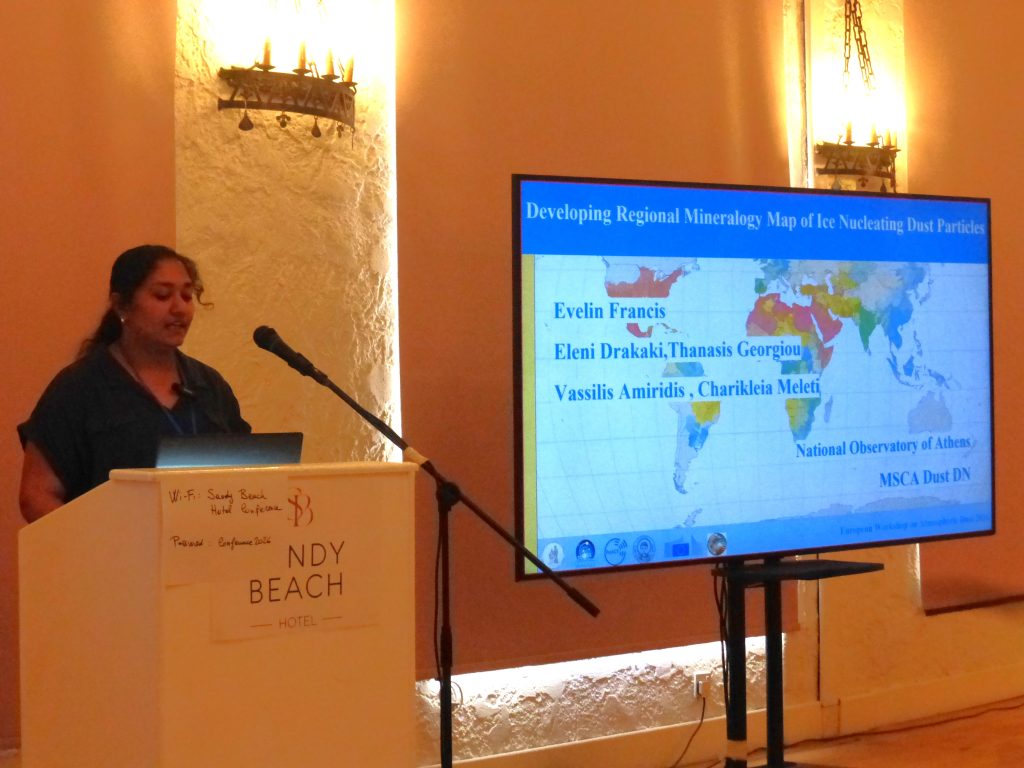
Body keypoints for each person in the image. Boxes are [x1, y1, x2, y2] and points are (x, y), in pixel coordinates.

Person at [18, 245, 251, 522]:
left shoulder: (209, 386)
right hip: (111, 546)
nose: (179, 308)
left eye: (187, 296)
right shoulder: (80, 388)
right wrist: (98, 541)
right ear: (121, 305)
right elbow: (36, 496)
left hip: (207, 543)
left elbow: (247, 477)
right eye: (162, 295)